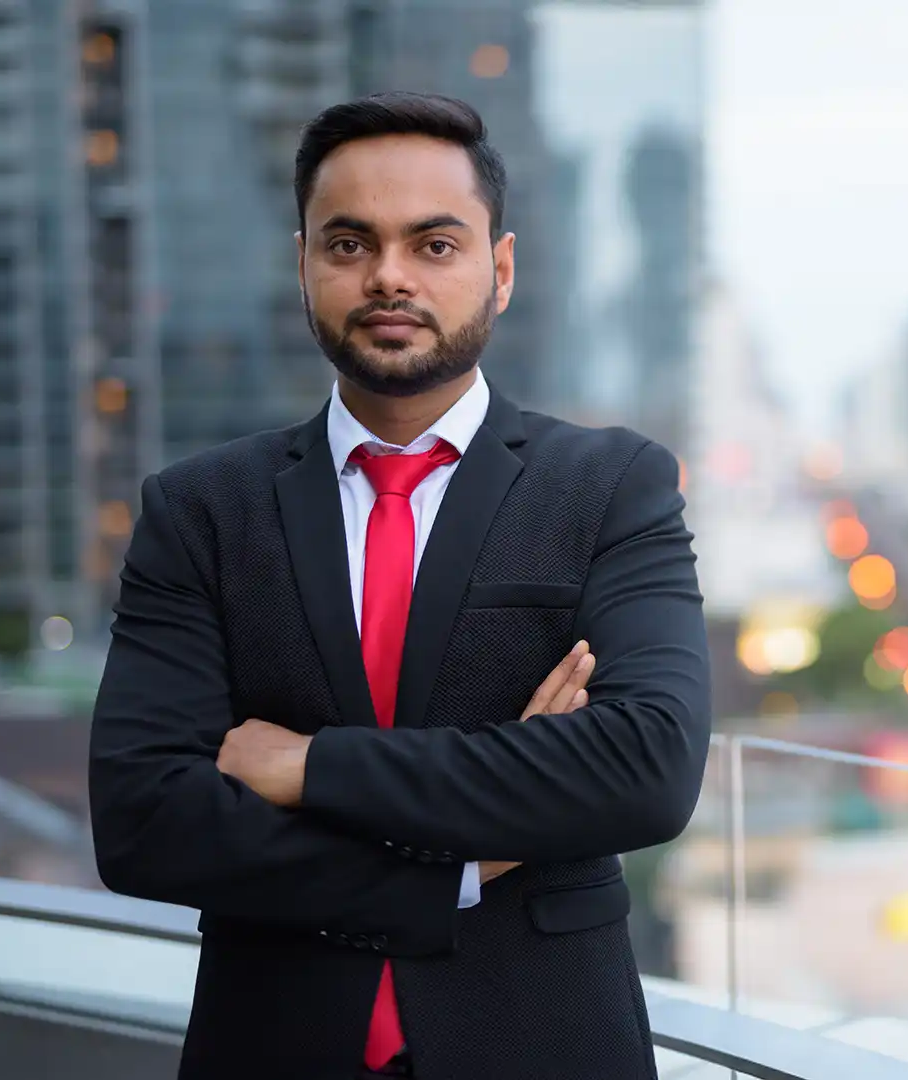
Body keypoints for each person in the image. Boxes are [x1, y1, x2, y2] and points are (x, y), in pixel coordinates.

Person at [88, 91, 711, 1080]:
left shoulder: (608, 487)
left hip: (542, 1044)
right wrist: (462, 863)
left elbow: (647, 766)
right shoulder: (197, 512)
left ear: (499, 271)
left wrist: (310, 769)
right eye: (348, 245)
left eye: (434, 245)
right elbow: (144, 822)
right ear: (303, 266)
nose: (388, 276)